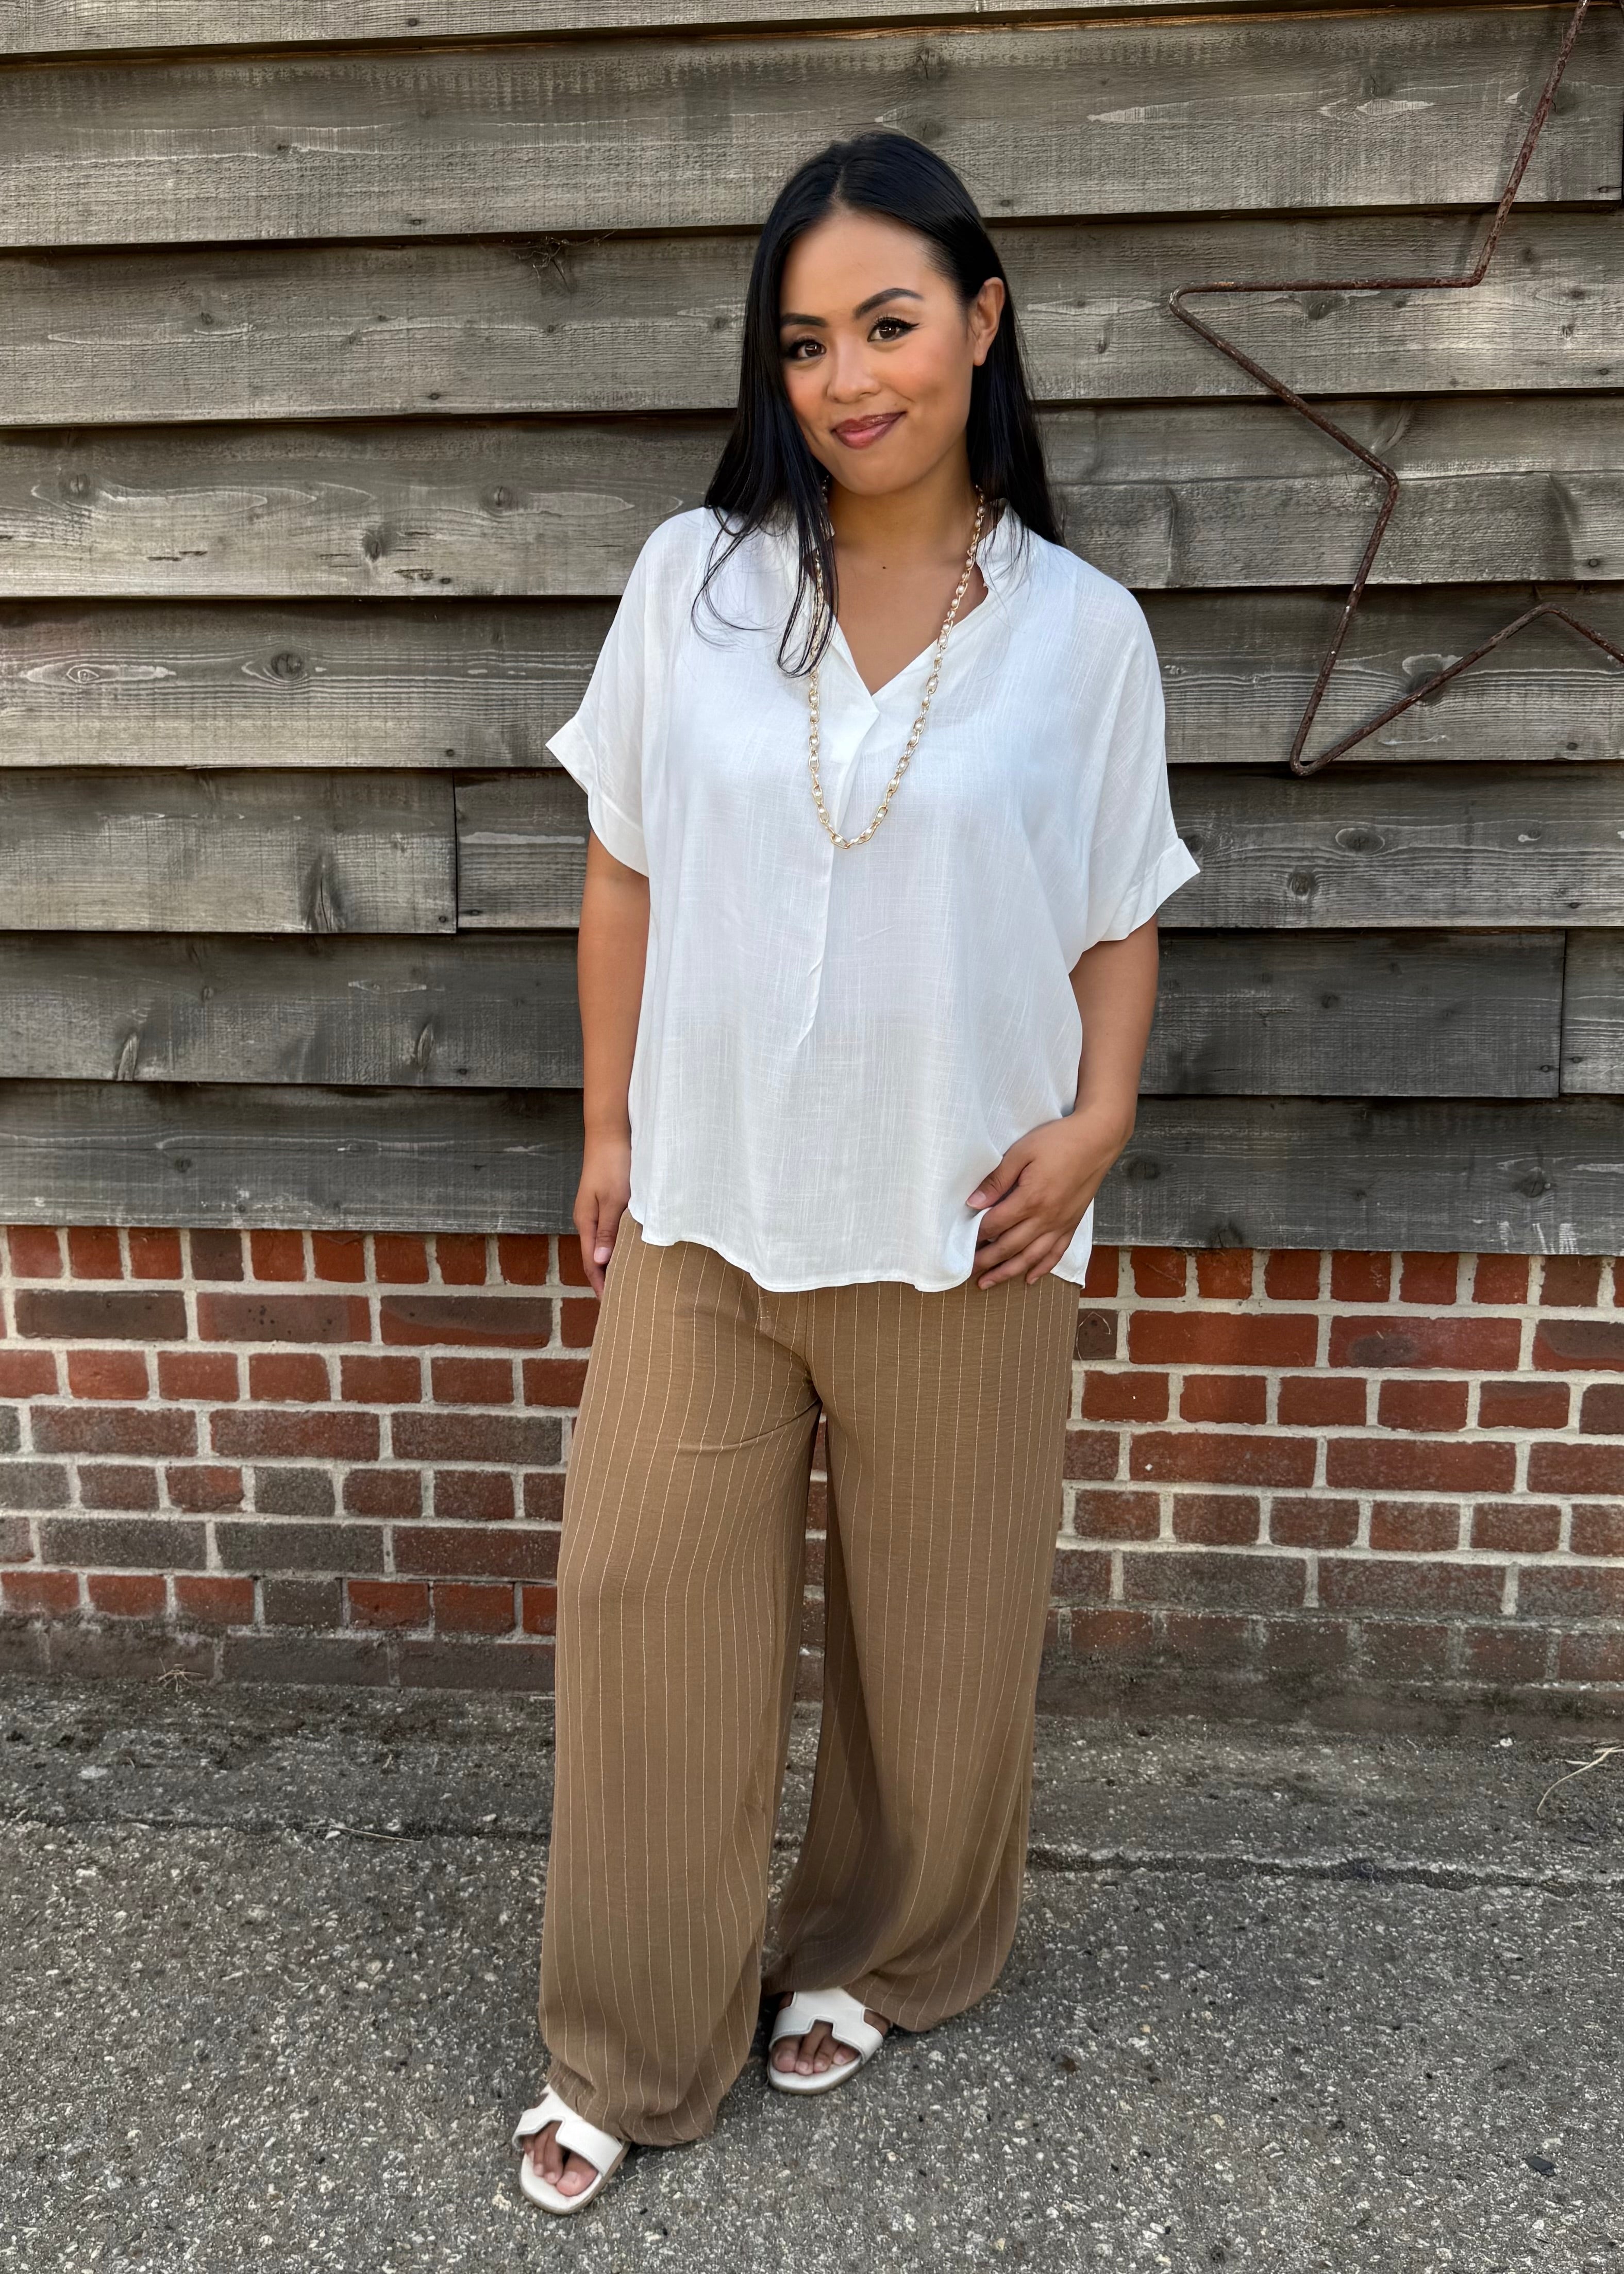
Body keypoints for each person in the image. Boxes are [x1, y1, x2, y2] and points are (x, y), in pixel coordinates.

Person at [511, 129, 1200, 2214]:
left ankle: (888, 1949)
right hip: (711, 1210)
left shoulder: (1081, 634)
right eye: (804, 339)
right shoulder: (691, 579)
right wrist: (611, 1121)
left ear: (980, 325)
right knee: (644, 1612)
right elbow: (620, 858)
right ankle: (628, 2042)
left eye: (886, 322)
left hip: (967, 1217)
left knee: (937, 1633)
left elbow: (1114, 904)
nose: (844, 374)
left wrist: (1099, 1119)